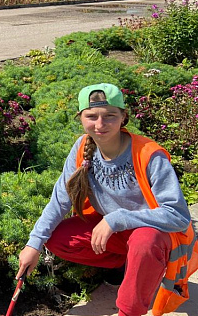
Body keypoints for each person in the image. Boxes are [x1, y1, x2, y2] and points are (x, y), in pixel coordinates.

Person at [16, 83, 198, 316]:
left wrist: (117, 218)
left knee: (144, 241)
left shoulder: (149, 155)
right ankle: (127, 266)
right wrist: (34, 244)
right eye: (91, 116)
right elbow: (60, 199)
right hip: (116, 232)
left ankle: (129, 309)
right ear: (81, 118)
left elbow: (178, 217)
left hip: (154, 234)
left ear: (123, 117)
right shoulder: (82, 147)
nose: (100, 124)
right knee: (59, 238)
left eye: (110, 116)